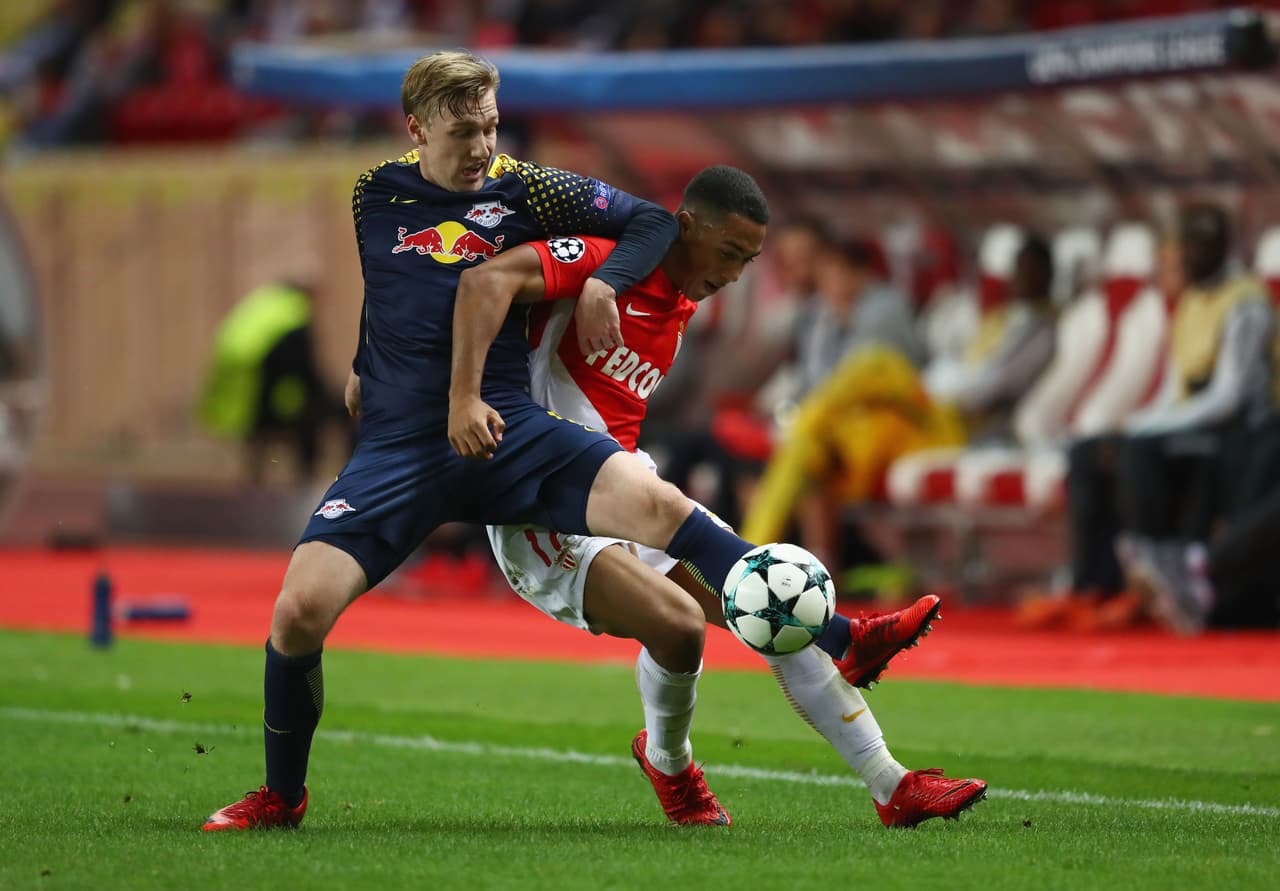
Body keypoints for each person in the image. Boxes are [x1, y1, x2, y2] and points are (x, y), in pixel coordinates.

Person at [202, 50, 854, 832]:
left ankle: (838, 633)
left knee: (657, 500)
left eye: (491, 125)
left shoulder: (528, 187)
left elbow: (650, 221)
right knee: (298, 611)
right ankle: (281, 795)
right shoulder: (374, 191)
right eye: (465, 130)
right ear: (417, 128)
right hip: (399, 447)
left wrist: (606, 285)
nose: (483, 146)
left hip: (502, 427)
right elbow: (393, 283)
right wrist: (361, 359)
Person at [469, 165, 986, 827]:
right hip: (543, 504)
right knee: (681, 629)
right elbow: (492, 275)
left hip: (623, 485)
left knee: (771, 608)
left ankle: (892, 784)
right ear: (686, 226)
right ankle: (672, 761)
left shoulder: (680, 304)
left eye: (749, 261)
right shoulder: (604, 264)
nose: (736, 273)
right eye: (729, 252)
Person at [197, 278, 350, 483]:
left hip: (249, 404)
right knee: (336, 410)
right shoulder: (294, 320)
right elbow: (305, 374)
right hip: (278, 404)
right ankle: (326, 478)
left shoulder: (264, 313)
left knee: (294, 416)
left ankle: (255, 482)